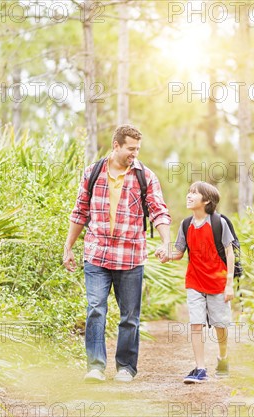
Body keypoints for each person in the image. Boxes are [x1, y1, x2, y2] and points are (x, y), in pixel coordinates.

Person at [63, 124, 172, 383]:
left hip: (130, 256)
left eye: (137, 149)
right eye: (130, 149)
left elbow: (158, 211)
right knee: (95, 309)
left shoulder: (145, 176)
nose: (134, 154)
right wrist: (68, 247)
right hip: (97, 254)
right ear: (116, 145)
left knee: (129, 317)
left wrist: (166, 241)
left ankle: (126, 367)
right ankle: (96, 366)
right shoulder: (93, 172)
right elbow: (79, 213)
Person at [162, 181, 234, 383]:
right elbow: (178, 252)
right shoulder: (186, 224)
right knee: (196, 323)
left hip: (218, 282)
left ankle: (223, 357)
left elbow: (230, 252)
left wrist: (229, 283)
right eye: (189, 192)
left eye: (194, 193)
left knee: (220, 325)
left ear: (207, 200)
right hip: (194, 282)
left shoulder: (219, 223)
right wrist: (166, 254)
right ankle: (200, 368)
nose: (189, 195)